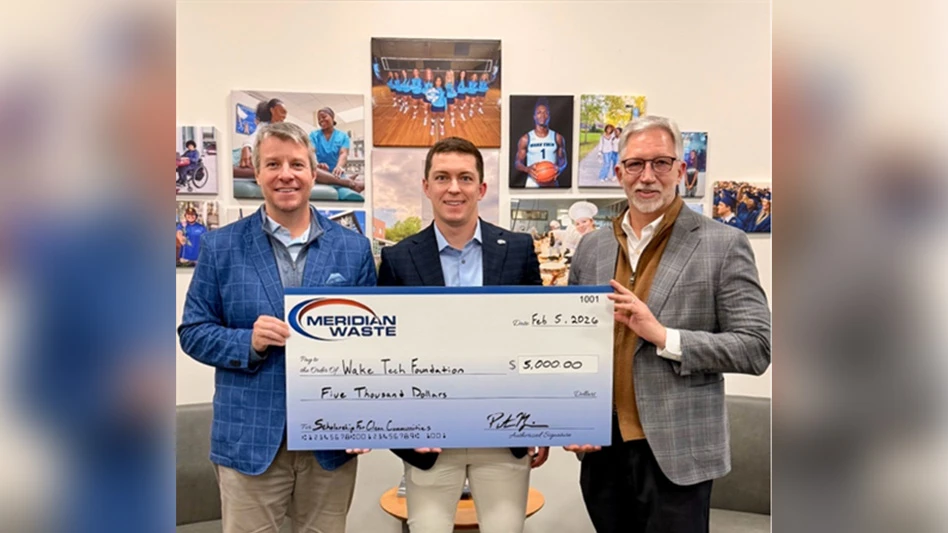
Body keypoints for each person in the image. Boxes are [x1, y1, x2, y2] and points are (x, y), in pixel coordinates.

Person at [566, 115, 771, 533]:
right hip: (602, 450)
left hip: (678, 454)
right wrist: (571, 416)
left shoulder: (723, 243)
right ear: (618, 172)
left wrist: (663, 336)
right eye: (635, 164)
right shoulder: (592, 247)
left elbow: (756, 347)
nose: (647, 177)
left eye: (661, 163)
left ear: (681, 170)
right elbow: (574, 344)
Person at [178, 122, 377, 533]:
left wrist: (362, 415)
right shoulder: (221, 246)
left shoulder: (352, 248)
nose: (285, 174)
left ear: (313, 171)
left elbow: (369, 347)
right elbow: (192, 331)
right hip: (249, 441)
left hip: (330, 441)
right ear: (257, 172)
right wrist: (246, 341)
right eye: (273, 164)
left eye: (296, 164)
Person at [377, 137, 550, 533]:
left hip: (506, 433)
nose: (453, 188)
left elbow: (538, 341)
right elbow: (383, 353)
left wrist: (546, 421)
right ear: (426, 186)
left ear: (481, 188)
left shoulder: (519, 250)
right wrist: (399, 429)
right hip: (429, 439)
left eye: (464, 178)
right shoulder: (399, 258)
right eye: (442, 177)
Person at [308, 107, 365, 201]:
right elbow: (311, 151)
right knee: (313, 170)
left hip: (337, 173)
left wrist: (339, 167)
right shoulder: (314, 135)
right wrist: (316, 164)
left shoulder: (342, 136)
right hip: (321, 173)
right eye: (319, 119)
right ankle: (351, 183)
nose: (321, 120)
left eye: (323, 116)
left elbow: (343, 153)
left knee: (348, 195)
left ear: (332, 117)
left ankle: (343, 181)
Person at [514, 97, 568, 188]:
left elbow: (563, 161)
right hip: (533, 182)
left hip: (551, 182)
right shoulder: (526, 138)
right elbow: (517, 163)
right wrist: (527, 169)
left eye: (545, 112)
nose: (542, 115)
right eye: (539, 113)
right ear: (534, 116)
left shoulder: (557, 137)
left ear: (549, 116)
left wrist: (560, 169)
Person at [238, 98, 287, 171]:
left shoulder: (281, 128)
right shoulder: (264, 126)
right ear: (272, 111)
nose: (284, 116)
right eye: (282, 112)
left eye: (285, 113)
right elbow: (255, 136)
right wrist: (246, 147)